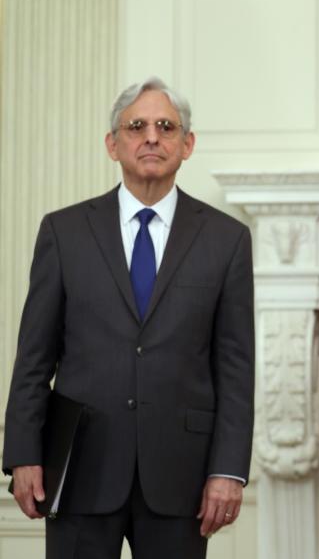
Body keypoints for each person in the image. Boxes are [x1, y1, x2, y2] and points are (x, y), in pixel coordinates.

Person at [3, 77, 254, 559]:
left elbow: (236, 370)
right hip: (79, 470)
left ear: (188, 143)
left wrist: (228, 470)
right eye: (136, 126)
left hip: (181, 477)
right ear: (112, 144)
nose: (152, 137)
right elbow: (34, 357)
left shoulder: (226, 240)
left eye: (166, 126)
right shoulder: (64, 232)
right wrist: (24, 454)